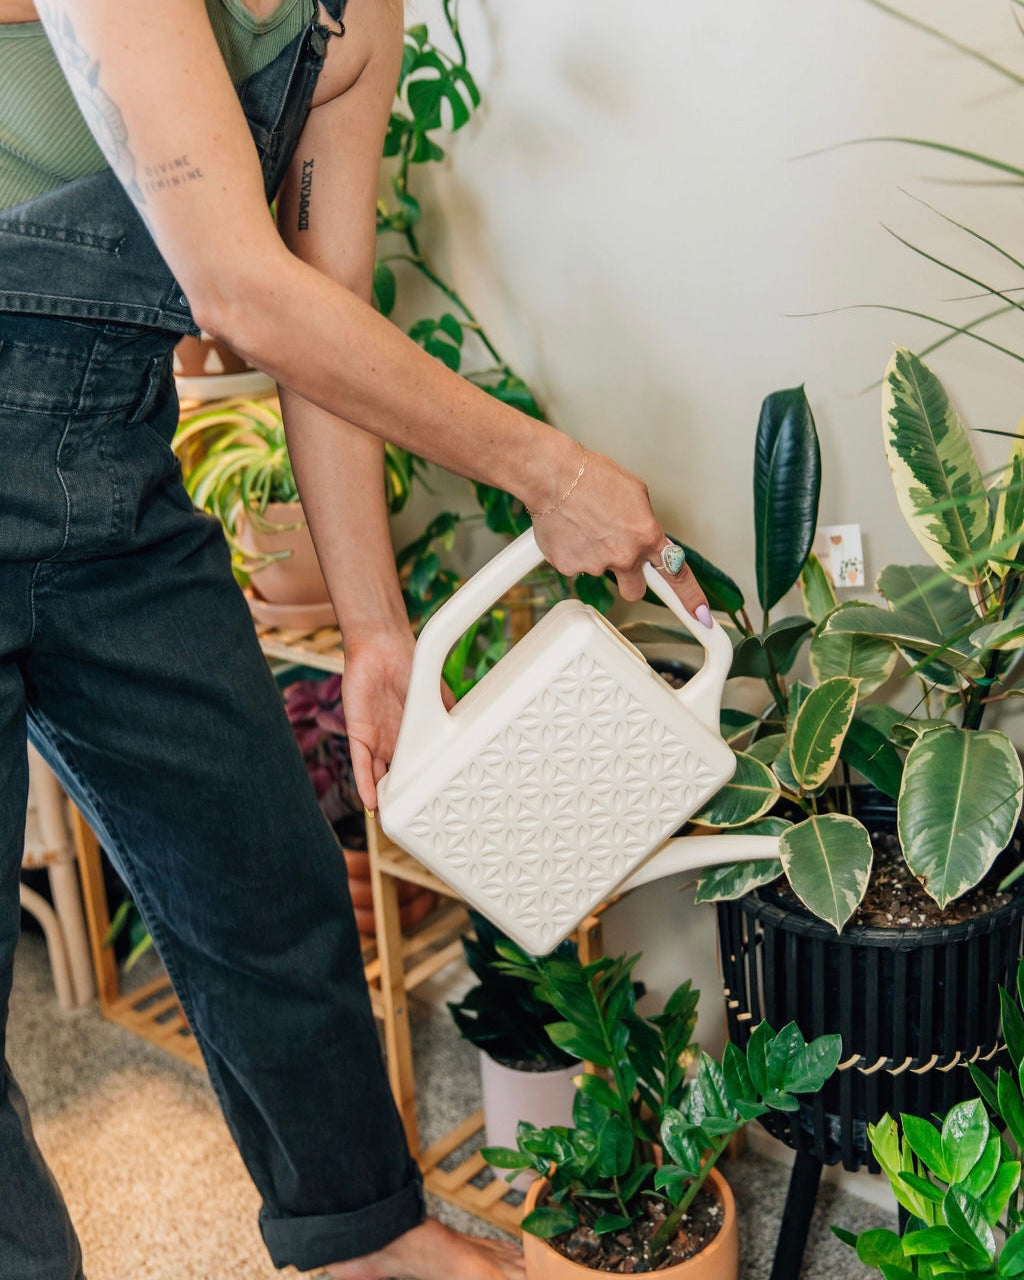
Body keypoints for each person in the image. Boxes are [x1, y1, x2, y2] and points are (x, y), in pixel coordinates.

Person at [0, 2, 713, 1278]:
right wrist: (545, 470)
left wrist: (377, 628)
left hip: (106, 458)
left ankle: (364, 1239)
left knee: (263, 875)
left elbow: (319, 314)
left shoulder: (352, 19)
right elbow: (235, 286)